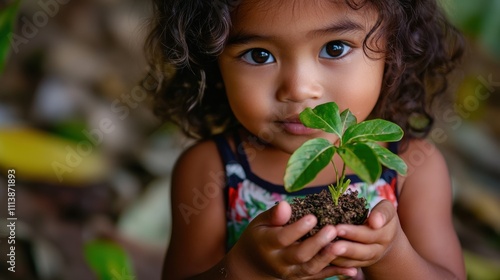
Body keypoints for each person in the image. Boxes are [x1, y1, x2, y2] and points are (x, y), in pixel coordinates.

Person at [145, 0, 466, 279]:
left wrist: (391, 252)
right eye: (259, 55)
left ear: (394, 49)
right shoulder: (212, 170)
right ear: (212, 61)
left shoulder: (411, 167)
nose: (298, 89)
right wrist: (247, 267)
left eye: (335, 48)